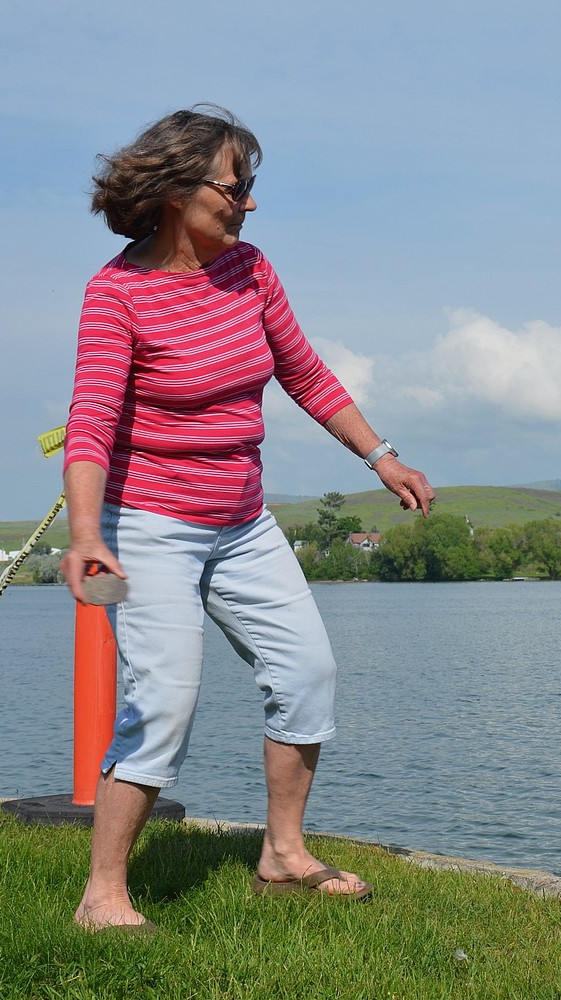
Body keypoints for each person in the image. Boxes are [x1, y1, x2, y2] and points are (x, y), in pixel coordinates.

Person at [60, 105, 435, 929]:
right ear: (175, 191)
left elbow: (306, 373)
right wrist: (87, 534)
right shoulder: (116, 294)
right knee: (162, 701)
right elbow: (89, 421)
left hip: (243, 523)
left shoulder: (251, 271)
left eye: (251, 186)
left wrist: (384, 458)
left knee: (307, 673)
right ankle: (103, 894)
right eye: (237, 186)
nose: (250, 203)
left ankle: (282, 854)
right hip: (148, 525)